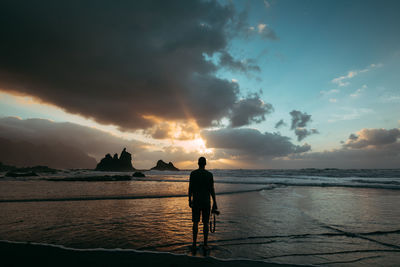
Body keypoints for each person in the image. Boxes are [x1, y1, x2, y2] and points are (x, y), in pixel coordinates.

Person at [188, 157, 217, 250]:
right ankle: (205, 244)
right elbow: (211, 189)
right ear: (205, 164)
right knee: (205, 223)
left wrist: (189, 200)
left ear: (198, 163)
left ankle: (194, 244)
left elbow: (190, 188)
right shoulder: (209, 175)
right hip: (206, 201)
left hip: (196, 200)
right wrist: (215, 202)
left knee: (195, 222)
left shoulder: (193, 174)